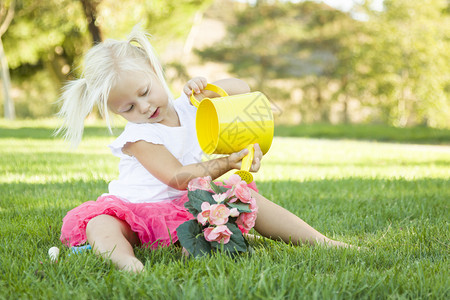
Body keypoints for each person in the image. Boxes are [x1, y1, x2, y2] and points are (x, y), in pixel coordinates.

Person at [56, 27, 351, 273]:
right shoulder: (138, 136)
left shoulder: (191, 106)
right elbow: (177, 177)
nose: (144, 107)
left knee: (245, 200)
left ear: (154, 69)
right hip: (134, 212)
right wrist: (227, 163)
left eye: (144, 92)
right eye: (128, 108)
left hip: (186, 205)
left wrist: (207, 87)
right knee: (101, 225)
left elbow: (241, 88)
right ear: (115, 111)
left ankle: (322, 241)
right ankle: (127, 262)